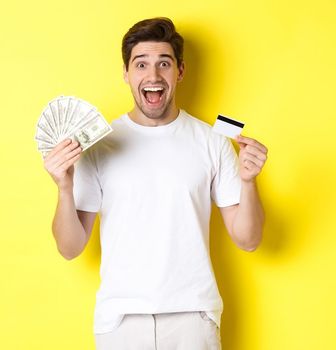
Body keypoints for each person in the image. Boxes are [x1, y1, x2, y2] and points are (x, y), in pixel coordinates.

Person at [42, 17, 268, 349]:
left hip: (193, 316)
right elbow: (70, 247)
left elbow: (248, 240)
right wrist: (63, 186)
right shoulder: (99, 144)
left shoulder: (211, 141)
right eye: (141, 64)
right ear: (126, 74)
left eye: (164, 63)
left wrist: (249, 183)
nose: (153, 75)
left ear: (180, 71)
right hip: (121, 320)